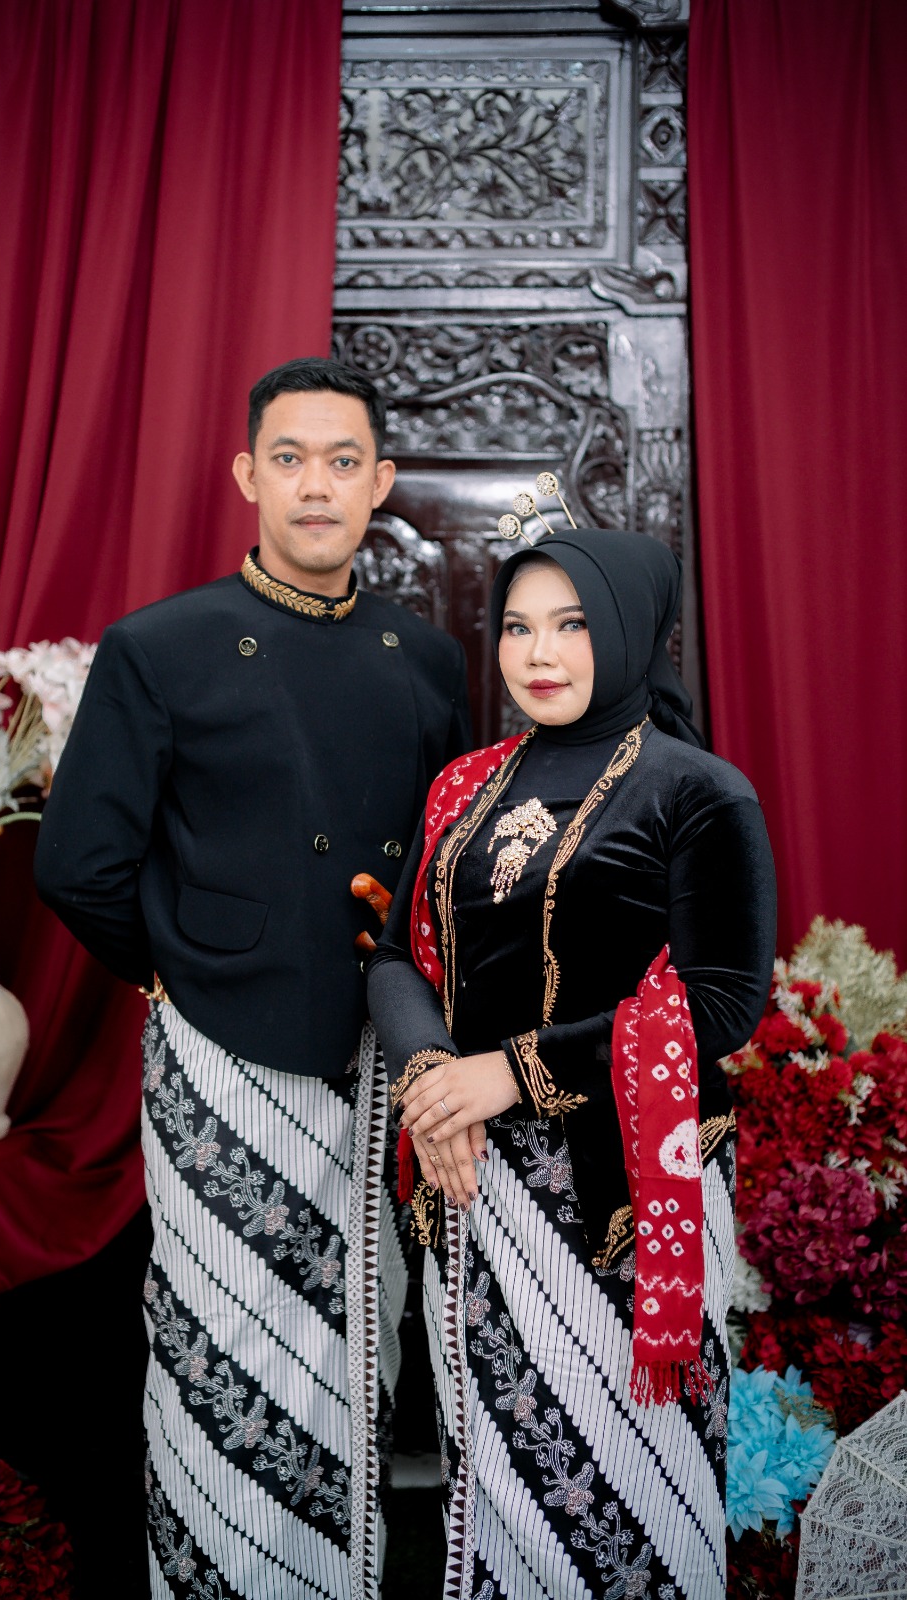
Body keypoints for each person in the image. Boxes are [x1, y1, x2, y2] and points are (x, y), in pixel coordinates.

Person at [34, 356, 471, 1600]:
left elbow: (444, 857)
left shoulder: (425, 657)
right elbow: (77, 865)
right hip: (221, 1049)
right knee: (222, 1345)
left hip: (381, 1051)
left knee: (360, 1331)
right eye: (289, 459)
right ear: (246, 476)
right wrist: (172, 973)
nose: (315, 485)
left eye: (342, 461)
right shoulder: (158, 646)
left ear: (380, 482)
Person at [367, 528, 776, 1600]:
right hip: (474, 1174)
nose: (537, 653)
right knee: (500, 1477)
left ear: (632, 631)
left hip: (623, 1190)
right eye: (516, 627)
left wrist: (503, 1074)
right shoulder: (463, 786)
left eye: (572, 624)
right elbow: (397, 955)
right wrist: (432, 1076)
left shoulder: (699, 791)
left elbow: (721, 1001)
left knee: (626, 1489)